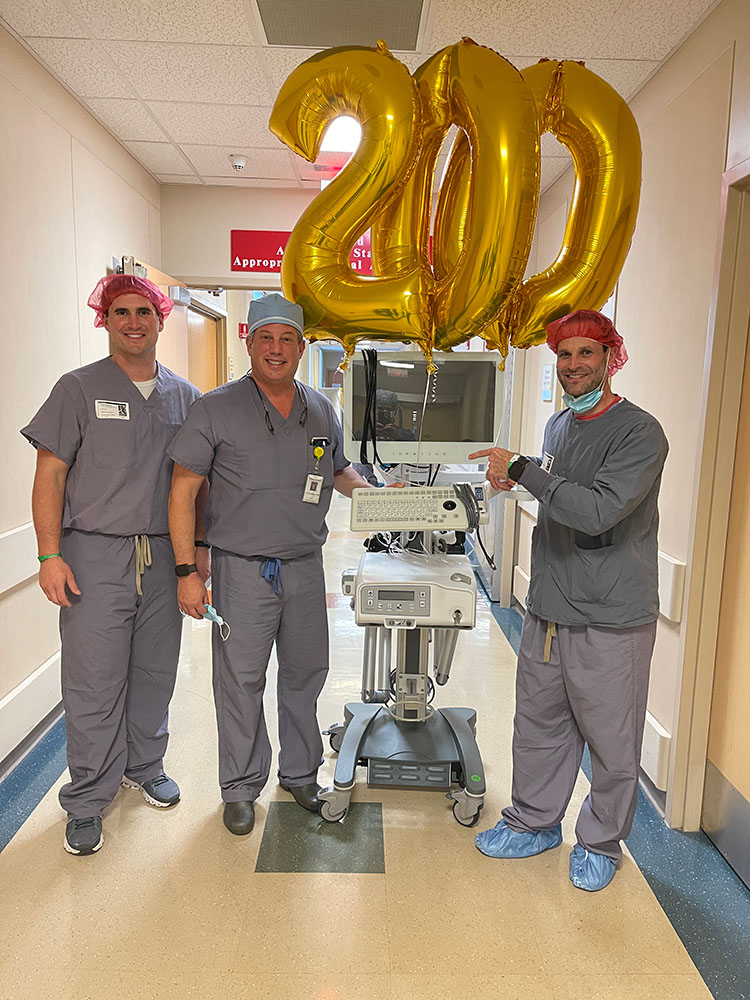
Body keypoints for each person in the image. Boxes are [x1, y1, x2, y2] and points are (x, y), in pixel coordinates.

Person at [468, 309, 668, 892]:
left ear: (610, 358)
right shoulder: (559, 427)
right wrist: (518, 478)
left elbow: (599, 509)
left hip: (610, 615)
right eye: (564, 355)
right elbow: (558, 493)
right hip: (550, 607)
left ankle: (601, 841)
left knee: (611, 737)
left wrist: (527, 471)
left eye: (586, 353)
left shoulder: (640, 432)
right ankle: (533, 822)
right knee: (539, 724)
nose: (573, 365)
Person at [167, 293, 378, 836]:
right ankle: (239, 787)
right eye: (266, 338)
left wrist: (383, 496)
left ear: (302, 347)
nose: (277, 349)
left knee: (306, 675)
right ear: (249, 343)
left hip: (305, 566)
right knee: (239, 681)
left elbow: (340, 473)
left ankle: (301, 774)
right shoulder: (215, 408)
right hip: (240, 570)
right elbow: (183, 491)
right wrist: (187, 571)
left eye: (288, 338)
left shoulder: (319, 409)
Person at [21, 274, 205, 857]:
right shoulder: (76, 390)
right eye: (120, 312)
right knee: (94, 679)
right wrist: (49, 554)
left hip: (163, 556)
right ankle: (87, 797)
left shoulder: (186, 397)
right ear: (105, 320)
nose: (133, 322)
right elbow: (49, 474)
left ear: (160, 318)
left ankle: (144, 765)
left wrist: (195, 558)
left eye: (143, 312)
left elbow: (197, 488)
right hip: (93, 554)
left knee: (155, 669)